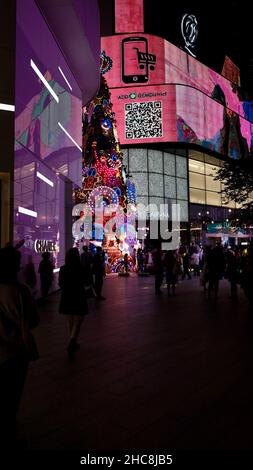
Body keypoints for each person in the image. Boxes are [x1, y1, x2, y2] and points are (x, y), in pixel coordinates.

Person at [0, 245, 39, 448]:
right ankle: (9, 435)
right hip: (15, 354)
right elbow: (33, 321)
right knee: (11, 398)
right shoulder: (20, 292)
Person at [59, 248, 88, 359]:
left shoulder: (63, 269)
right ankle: (72, 342)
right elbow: (86, 282)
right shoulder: (81, 268)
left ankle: (72, 341)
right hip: (79, 296)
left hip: (66, 297)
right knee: (78, 320)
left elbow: (60, 283)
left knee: (70, 321)